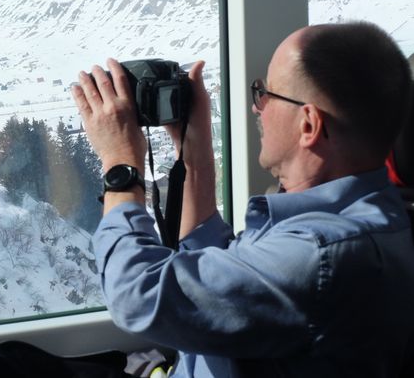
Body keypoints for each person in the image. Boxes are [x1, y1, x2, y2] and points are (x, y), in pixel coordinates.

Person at [71, 21, 414, 377]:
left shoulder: (322, 254)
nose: (257, 107)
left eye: (267, 93)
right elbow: (220, 268)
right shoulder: (359, 215)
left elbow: (136, 295)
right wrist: (194, 149)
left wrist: (120, 161)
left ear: (308, 125)